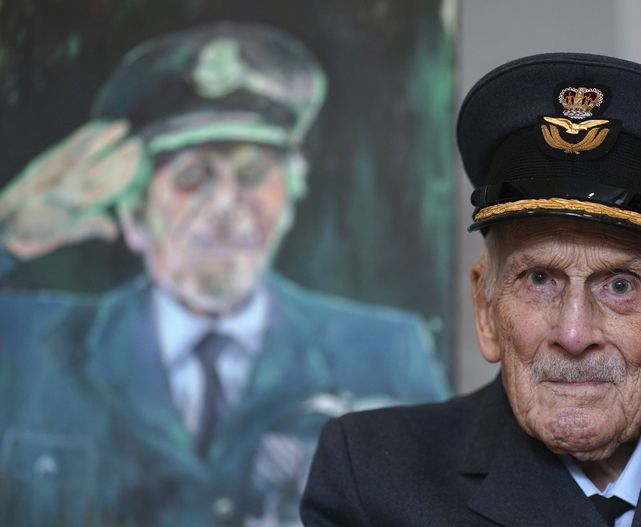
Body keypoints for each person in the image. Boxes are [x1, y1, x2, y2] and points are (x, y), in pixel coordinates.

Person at [300, 53, 641, 526]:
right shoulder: (373, 479)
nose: (574, 334)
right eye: (539, 279)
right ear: (486, 309)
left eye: (620, 285)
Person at [0, 22, 448, 527]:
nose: (227, 207)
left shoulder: (384, 350)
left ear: (291, 199)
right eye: (192, 177)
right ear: (134, 214)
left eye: (253, 175)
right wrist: (8, 235)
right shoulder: (28, 346)